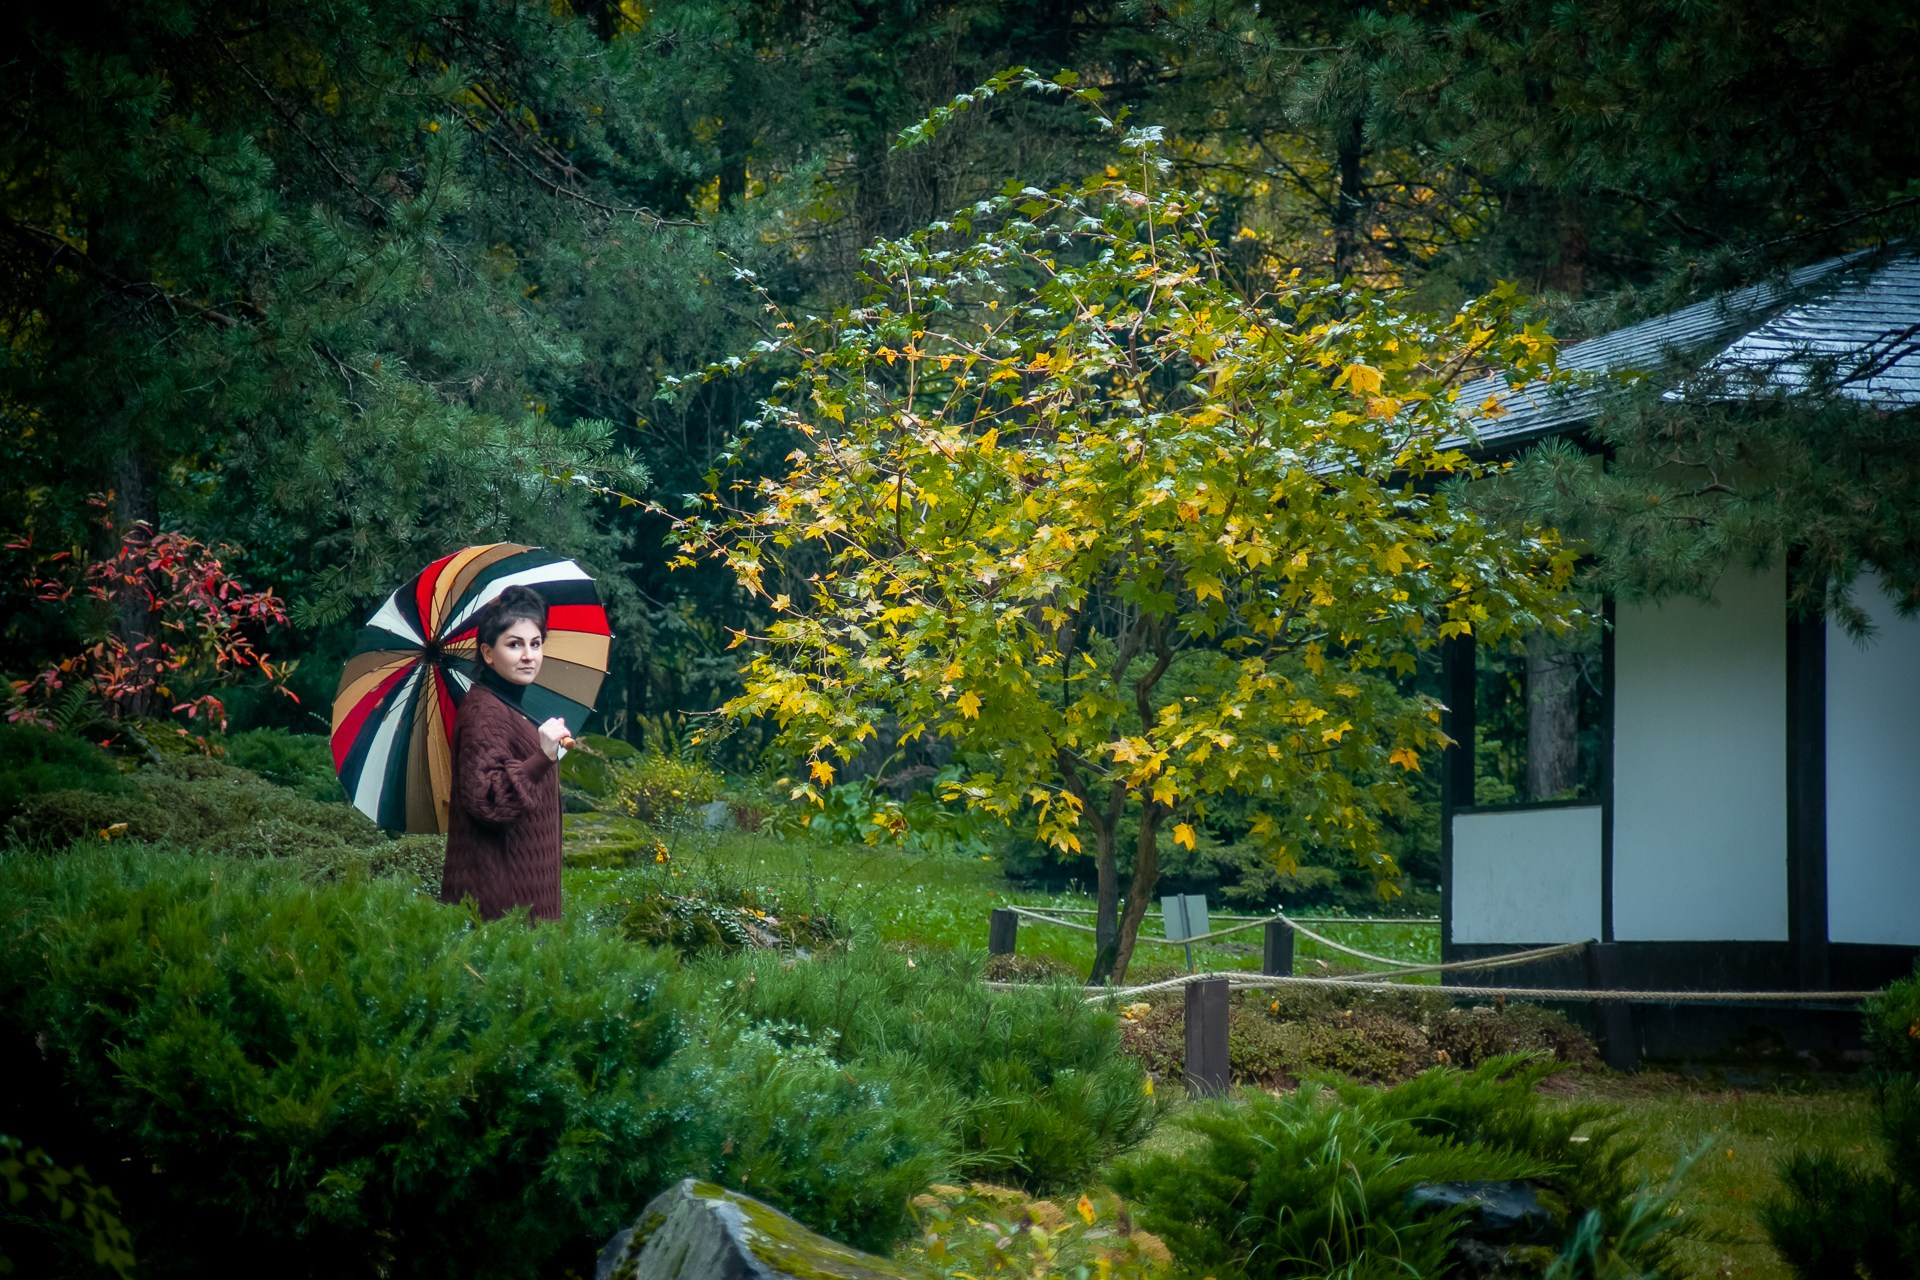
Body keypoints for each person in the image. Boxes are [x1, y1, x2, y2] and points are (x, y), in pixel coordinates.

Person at [440, 585, 573, 921]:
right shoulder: (483, 712)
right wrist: (542, 756)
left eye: (536, 644)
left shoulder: (511, 705)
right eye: (514, 644)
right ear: (488, 653)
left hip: (528, 896)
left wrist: (548, 754)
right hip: (499, 906)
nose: (529, 655)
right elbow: (489, 803)